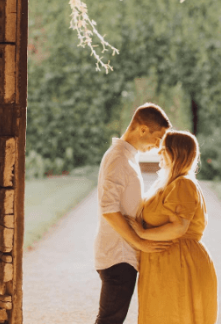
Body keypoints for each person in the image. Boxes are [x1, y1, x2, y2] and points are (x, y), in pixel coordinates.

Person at [127, 130, 218, 324]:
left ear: (176, 154)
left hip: (180, 263)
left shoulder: (183, 184)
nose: (159, 154)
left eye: (163, 150)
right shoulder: (167, 183)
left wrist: (142, 233)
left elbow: (178, 228)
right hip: (164, 263)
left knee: (176, 316)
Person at [94, 103, 173, 324]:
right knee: (109, 320)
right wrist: (139, 242)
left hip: (122, 255)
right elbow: (108, 209)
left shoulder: (127, 157)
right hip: (118, 256)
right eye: (158, 138)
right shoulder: (119, 157)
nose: (159, 146)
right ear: (142, 129)